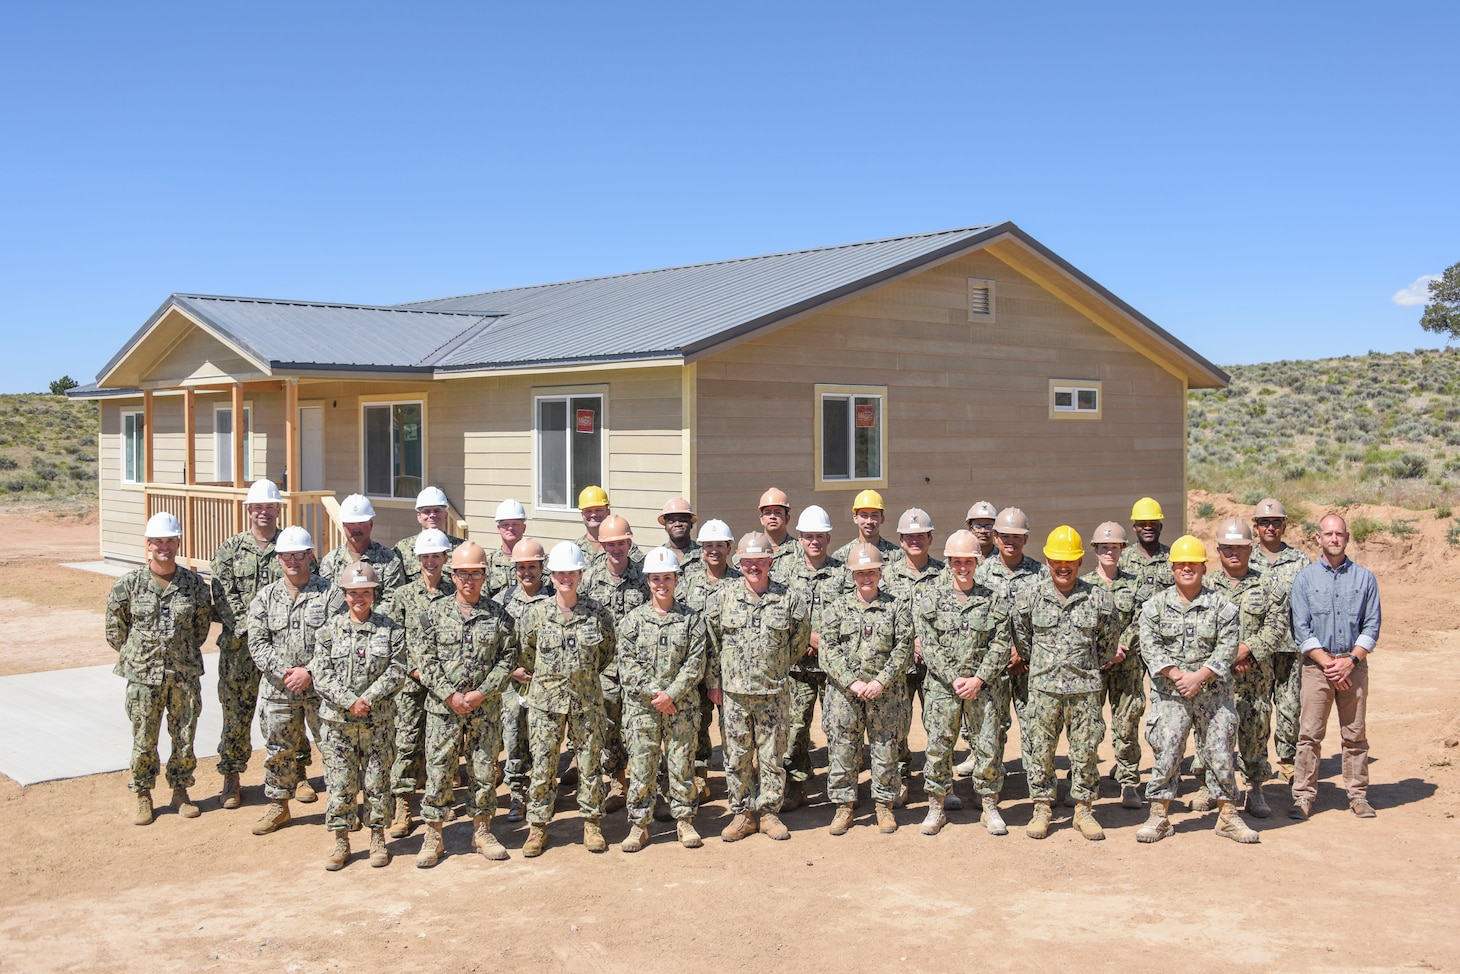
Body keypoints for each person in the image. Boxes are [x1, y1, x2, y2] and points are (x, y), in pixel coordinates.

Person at [1136, 535, 1257, 844]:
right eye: (1181, 564)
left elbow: (1227, 647)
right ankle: (1159, 815)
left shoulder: (1222, 607)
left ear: (1204, 567)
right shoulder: (1154, 607)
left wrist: (1199, 677)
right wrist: (1178, 676)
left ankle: (1228, 815)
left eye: (1193, 564)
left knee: (1220, 753)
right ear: (1172, 567)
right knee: (1168, 751)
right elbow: (1149, 647)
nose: (1187, 568)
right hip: (1171, 695)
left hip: (1214, 695)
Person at [412, 541, 518, 867]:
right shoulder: (432, 613)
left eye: (475, 574)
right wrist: (449, 694)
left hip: (483, 709)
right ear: (452, 575)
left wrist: (480, 693)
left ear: (485, 575)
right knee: (439, 771)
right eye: (461, 574)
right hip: (443, 711)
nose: (468, 580)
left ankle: (482, 831)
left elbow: (508, 659)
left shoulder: (499, 616)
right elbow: (424, 660)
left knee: (484, 769)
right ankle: (433, 835)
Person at [1010, 526, 1119, 841]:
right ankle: (1042, 808)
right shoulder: (1030, 597)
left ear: (1081, 561)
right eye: (1057, 559)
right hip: (1044, 690)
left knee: (1085, 752)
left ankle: (1083, 810)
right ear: (1046, 560)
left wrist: (1086, 667)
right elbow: (1023, 638)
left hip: (1084, 691)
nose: (1063, 566)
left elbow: (1108, 646)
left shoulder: (1099, 598)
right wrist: (1042, 666)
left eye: (1069, 560)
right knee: (1040, 752)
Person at [105, 511, 213, 825]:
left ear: (178, 542)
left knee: (183, 735)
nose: (164, 546)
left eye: (169, 540)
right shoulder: (129, 584)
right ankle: (143, 794)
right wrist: (139, 654)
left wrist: (179, 653)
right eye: (157, 541)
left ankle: (180, 791)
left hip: (183, 674)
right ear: (148, 545)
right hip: (143, 676)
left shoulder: (193, 585)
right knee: (143, 738)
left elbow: (200, 628)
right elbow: (115, 630)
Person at [704, 532, 811, 842]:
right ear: (740, 563)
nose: (753, 567)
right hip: (734, 694)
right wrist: (715, 683)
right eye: (747, 562)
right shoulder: (723, 597)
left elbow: (799, 640)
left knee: (772, 757)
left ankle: (768, 814)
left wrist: (774, 667)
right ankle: (742, 814)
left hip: (774, 693)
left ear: (770, 562)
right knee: (736, 757)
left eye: (759, 562)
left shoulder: (788, 598)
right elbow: (712, 642)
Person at [517, 542, 619, 857]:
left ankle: (591, 824)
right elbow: (527, 654)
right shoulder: (536, 614)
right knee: (544, 765)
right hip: (546, 702)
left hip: (586, 701)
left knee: (589, 764)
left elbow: (605, 653)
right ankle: (537, 828)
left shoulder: (598, 613)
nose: (566, 578)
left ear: (580, 574)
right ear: (552, 574)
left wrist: (582, 677)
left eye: (572, 572)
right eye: (560, 572)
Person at [211, 478, 305, 809]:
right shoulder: (229, 550)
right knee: (236, 714)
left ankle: (299, 774)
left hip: (285, 652)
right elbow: (223, 597)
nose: (264, 512)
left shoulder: (293, 545)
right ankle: (232, 776)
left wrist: (275, 642)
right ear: (249, 510)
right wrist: (255, 635)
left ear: (278, 509)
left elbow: (306, 590)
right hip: (239, 652)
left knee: (291, 713)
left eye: (270, 506)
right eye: (258, 507)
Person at [246, 525, 345, 835]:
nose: (293, 561)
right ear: (278, 559)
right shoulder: (265, 597)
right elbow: (257, 644)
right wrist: (288, 673)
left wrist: (310, 672)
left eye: (299, 555)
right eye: (287, 555)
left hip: (322, 688)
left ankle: (342, 807)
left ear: (310, 556)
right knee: (279, 750)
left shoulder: (330, 594)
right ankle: (279, 805)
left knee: (333, 747)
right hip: (279, 689)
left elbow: (340, 640)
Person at [309, 562, 407, 870]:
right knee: (341, 782)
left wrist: (368, 699)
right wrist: (350, 701)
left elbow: (397, 669)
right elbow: (322, 674)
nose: (359, 598)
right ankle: (341, 841)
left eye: (365, 592)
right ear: (345, 594)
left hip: (378, 721)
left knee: (377, 781)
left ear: (374, 593)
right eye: (353, 593)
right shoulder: (328, 631)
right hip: (339, 723)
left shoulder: (390, 629)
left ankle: (377, 838)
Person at [916, 531, 1012, 835]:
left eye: (967, 561)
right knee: (939, 747)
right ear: (948, 562)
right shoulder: (931, 599)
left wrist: (979, 679)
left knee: (987, 747)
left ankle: (988, 805)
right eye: (956, 561)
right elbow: (928, 646)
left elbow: (1001, 643)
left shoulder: (993, 599)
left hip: (983, 690)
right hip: (944, 689)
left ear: (976, 562)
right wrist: (955, 678)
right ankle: (936, 807)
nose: (962, 567)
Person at [1289, 514, 1382, 820]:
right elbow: (1300, 629)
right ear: (1318, 538)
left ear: (1347, 537)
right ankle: (1303, 797)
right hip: (1318, 668)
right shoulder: (1304, 579)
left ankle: (1357, 795)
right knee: (1309, 734)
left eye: (1338, 534)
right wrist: (1331, 665)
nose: (1333, 539)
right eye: (1327, 534)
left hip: (1354, 667)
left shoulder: (1365, 579)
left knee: (1355, 734)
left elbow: (1371, 627)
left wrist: (1350, 661)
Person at [615, 547, 708, 851]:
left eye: (667, 577)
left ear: (676, 579)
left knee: (681, 763)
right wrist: (657, 693)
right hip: (643, 709)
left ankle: (684, 821)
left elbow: (695, 664)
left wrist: (671, 694)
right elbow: (627, 665)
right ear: (647, 581)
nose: (661, 584)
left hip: (681, 706)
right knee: (642, 765)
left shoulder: (691, 620)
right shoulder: (632, 621)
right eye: (655, 578)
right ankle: (639, 825)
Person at [820, 543, 914, 834]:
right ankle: (844, 806)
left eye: (871, 571)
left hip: (884, 696)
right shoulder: (836, 608)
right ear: (852, 574)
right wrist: (853, 682)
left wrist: (879, 682)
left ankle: (884, 806)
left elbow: (903, 649)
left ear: (880, 572)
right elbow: (828, 649)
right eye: (860, 572)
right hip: (845, 695)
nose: (866, 577)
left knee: (886, 749)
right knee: (843, 750)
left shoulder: (896, 607)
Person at [1205, 517, 1284, 818]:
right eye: (1227, 548)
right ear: (1218, 550)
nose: (1233, 553)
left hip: (1255, 678)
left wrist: (1248, 651)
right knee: (1213, 736)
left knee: (1255, 733)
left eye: (1239, 548)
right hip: (1216, 679)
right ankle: (1212, 788)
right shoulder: (1206, 585)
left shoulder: (1267, 585)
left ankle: (1256, 789)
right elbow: (1200, 630)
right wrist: (1226, 656)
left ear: (1251, 549)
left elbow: (1276, 627)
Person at [775, 505, 848, 810]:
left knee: (838, 726)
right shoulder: (785, 574)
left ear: (828, 537)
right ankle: (796, 784)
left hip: (833, 668)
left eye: (820, 536)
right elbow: (778, 615)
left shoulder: (843, 574)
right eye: (809, 536)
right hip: (798, 666)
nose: (814, 541)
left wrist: (822, 641)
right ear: (800, 538)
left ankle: (842, 787)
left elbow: (850, 616)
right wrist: (803, 639)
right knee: (796, 727)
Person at [385, 528, 455, 839]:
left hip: (447, 682)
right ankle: (403, 804)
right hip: (412, 682)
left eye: (435, 556)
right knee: (407, 741)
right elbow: (393, 640)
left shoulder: (455, 592)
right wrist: (412, 669)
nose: (430, 562)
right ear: (417, 560)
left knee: (443, 743)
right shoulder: (404, 595)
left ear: (445, 558)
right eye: (425, 557)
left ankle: (440, 798)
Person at [580, 513, 650, 814]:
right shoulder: (591, 577)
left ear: (629, 542)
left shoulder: (645, 575)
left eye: (621, 543)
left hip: (638, 666)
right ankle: (618, 780)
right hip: (605, 668)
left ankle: (646, 784)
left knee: (641, 726)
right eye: (610, 544)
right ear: (602, 545)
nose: (616, 549)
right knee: (609, 726)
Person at [975, 507, 1042, 782]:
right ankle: (991, 787)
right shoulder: (981, 574)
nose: (1010, 541)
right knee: (991, 727)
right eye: (1004, 535)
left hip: (1030, 666)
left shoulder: (1041, 573)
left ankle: (1039, 787)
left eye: (1017, 536)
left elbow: (1047, 623)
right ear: (995, 537)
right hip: (993, 668)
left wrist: (1024, 652)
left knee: (1035, 726)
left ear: (1026, 538)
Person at [1081, 521, 1145, 809]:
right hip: (1095, 666)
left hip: (1127, 665)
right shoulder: (1084, 585)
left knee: (1127, 723)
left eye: (1115, 547)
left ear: (1122, 550)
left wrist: (1122, 645)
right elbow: (1081, 625)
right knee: (1089, 723)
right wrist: (1104, 650)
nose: (1109, 551)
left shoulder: (1135, 583)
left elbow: (1143, 617)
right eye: (1104, 546)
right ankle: (1086, 778)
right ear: (1095, 549)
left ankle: (1129, 781)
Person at [883, 508, 944, 804]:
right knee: (898, 725)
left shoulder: (944, 574)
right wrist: (911, 644)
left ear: (930, 537)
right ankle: (902, 778)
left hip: (936, 667)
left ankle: (939, 784)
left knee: (938, 724)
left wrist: (928, 645)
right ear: (900, 539)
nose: (915, 541)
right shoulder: (887, 575)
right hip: (900, 666)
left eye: (921, 536)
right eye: (909, 536)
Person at [493, 537, 554, 823]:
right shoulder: (503, 601)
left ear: (542, 566)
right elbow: (491, 642)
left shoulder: (556, 598)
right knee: (514, 737)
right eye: (521, 567)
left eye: (532, 566)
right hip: (513, 684)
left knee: (545, 741)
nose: (526, 572)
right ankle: (517, 793)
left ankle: (544, 791)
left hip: (546, 683)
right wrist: (512, 670)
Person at [678, 517, 741, 796]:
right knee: (697, 725)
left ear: (729, 547)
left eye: (719, 545)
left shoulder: (741, 582)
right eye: (708, 545)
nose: (713, 550)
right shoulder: (688, 583)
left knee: (734, 726)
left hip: (732, 669)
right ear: (701, 549)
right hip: (697, 668)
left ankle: (739, 779)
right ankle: (701, 777)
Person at [1251, 497, 1310, 782]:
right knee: (1257, 704)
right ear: (1256, 527)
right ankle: (1255, 759)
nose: (1271, 527)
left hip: (1290, 645)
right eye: (1265, 522)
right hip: (1258, 647)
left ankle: (1287, 759)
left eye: (1276, 522)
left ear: (1284, 526)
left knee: (1290, 704)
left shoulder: (1300, 560)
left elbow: (1310, 601)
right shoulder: (1246, 559)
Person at [320, 494, 405, 610]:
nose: (356, 529)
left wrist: (367, 623)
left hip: (379, 625)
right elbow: (326, 600)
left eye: (361, 523)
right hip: (340, 626)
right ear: (343, 526)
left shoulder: (389, 559)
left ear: (371, 524)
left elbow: (392, 600)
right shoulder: (330, 562)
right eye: (351, 523)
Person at [394, 487, 465, 586]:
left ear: (445, 515)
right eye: (427, 511)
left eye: (437, 511)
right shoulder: (402, 548)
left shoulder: (462, 548)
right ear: (419, 517)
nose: (432, 515)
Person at [1120, 496, 1175, 604]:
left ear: (1161, 527)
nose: (1148, 527)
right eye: (1142, 524)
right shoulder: (1122, 559)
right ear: (1135, 528)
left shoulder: (1173, 558)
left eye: (1153, 523)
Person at [575, 484, 643, 566]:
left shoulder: (627, 547)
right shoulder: (575, 550)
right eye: (588, 511)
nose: (593, 515)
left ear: (608, 512)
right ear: (582, 515)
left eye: (598, 510)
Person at [832, 489, 901, 565]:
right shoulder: (841, 558)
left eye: (874, 515)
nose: (869, 521)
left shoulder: (897, 557)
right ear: (855, 518)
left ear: (882, 519)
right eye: (864, 515)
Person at [486, 499, 528, 597]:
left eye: (515, 524)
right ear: (498, 529)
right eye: (505, 524)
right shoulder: (488, 563)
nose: (510, 528)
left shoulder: (536, 560)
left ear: (524, 528)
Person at [755, 488, 800, 570]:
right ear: (762, 519)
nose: (772, 517)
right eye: (768, 512)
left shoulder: (800, 551)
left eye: (778, 512)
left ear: (787, 518)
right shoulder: (752, 549)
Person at [658, 497, 702, 573]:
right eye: (672, 521)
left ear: (691, 524)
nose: (677, 524)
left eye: (683, 520)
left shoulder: (704, 555)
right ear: (665, 526)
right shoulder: (658, 556)